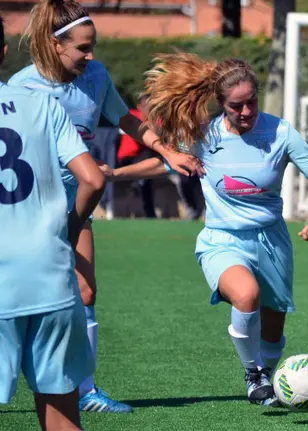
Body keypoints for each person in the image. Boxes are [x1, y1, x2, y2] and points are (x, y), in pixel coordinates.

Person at [101, 53, 308, 405]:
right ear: (220, 104)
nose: (245, 112)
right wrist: (116, 175)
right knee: (246, 295)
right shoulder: (204, 135)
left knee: (273, 332)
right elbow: (165, 163)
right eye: (235, 106)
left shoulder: (281, 132)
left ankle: (267, 378)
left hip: (272, 242)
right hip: (222, 240)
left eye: (251, 102)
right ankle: (253, 374)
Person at [8, 0, 205, 413]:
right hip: (35, 208)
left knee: (85, 290)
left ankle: (85, 390)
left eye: (92, 45)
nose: (91, 55)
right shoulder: (24, 88)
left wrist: (168, 152)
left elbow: (126, 120)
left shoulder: (95, 76)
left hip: (79, 202)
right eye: (82, 47)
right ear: (54, 44)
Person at [0, 17, 106, 429]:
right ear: (4, 50)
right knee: (62, 417)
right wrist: (71, 225)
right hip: (49, 275)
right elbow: (93, 178)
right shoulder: (42, 104)